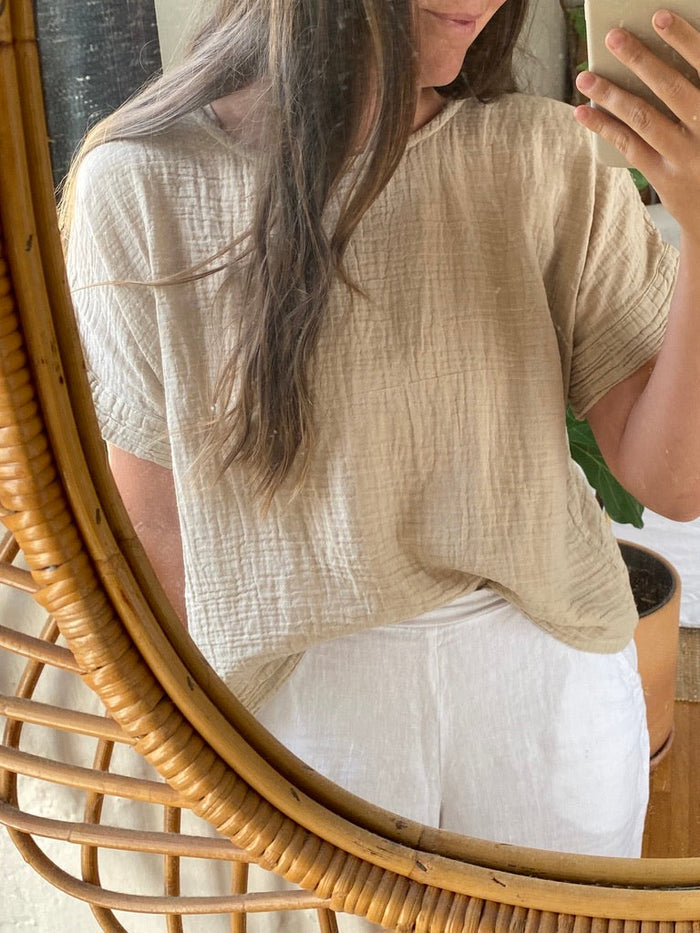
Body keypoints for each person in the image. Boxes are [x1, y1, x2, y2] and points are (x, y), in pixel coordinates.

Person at [64, 0, 700, 893]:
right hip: (290, 723)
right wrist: (202, 757)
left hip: (551, 695)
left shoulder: (544, 151)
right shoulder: (143, 182)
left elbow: (675, 483)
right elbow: (156, 534)